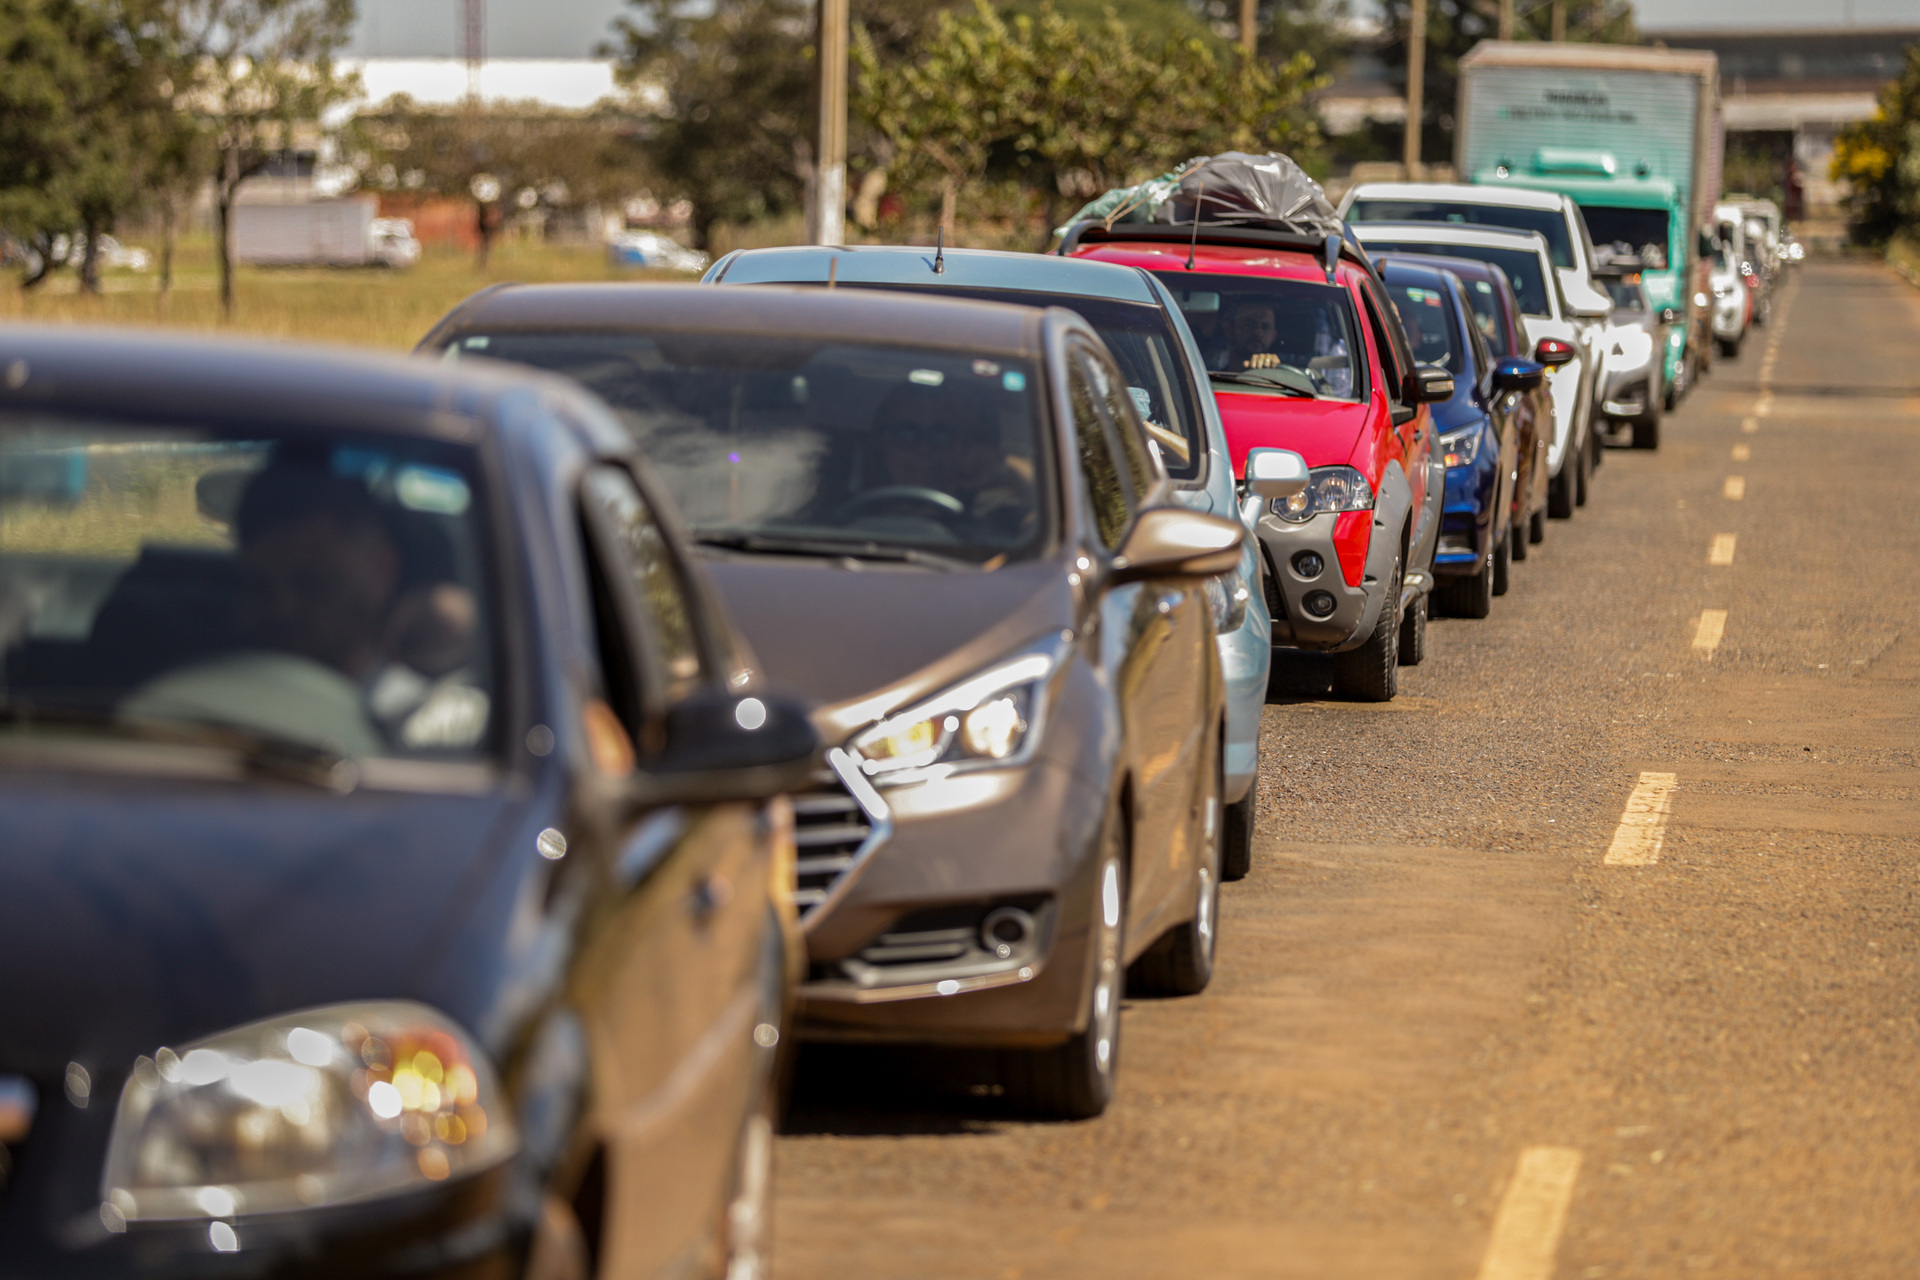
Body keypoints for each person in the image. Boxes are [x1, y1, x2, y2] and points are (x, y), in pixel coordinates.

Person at [123, 464, 485, 754]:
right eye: (260, 587)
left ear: (382, 570)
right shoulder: (189, 697)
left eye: (313, 584)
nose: (283, 608)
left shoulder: (445, 700)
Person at [858, 380, 1035, 542]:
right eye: (906, 434)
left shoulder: (995, 515)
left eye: (942, 434)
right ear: (881, 447)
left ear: (964, 448)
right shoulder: (837, 515)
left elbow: (1051, 525)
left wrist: (1003, 467)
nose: (924, 447)